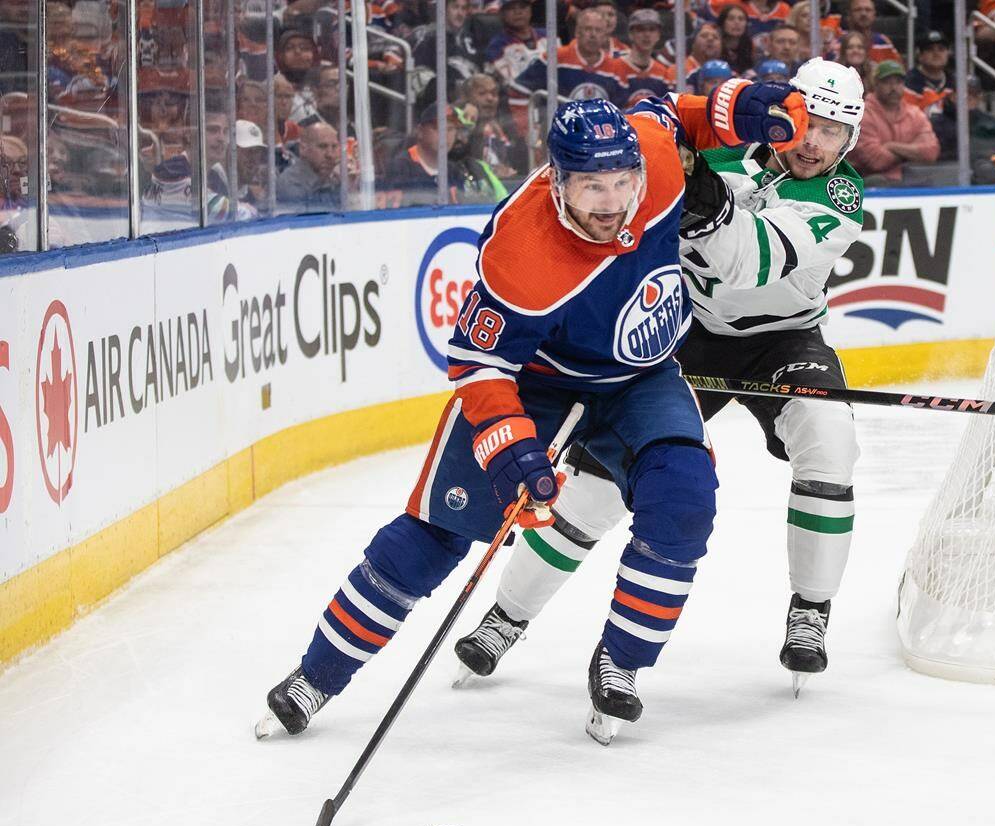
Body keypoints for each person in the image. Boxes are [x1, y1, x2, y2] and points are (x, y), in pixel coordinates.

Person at [255, 82, 809, 746]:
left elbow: (669, 110)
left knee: (685, 500)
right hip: (536, 385)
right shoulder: (519, 251)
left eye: (622, 181)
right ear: (556, 181)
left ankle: (621, 663)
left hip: (641, 376)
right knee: (435, 537)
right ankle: (317, 674)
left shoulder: (656, 160)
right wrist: (514, 449)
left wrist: (731, 109)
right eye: (591, 188)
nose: (613, 204)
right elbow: (480, 366)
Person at [452, 58, 866, 698]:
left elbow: (754, 263)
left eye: (834, 133)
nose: (815, 144)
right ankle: (507, 617)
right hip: (686, 337)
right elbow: (654, 129)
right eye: (809, 123)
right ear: (788, 112)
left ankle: (811, 610)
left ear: (852, 139)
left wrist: (711, 205)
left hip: (782, 340)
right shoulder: (726, 151)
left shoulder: (840, 196)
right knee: (598, 487)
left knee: (830, 437)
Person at [509, 7, 627, 138]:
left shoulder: (616, 68)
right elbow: (518, 90)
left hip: (599, 142)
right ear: (577, 32)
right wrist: (526, 129)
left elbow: (622, 111)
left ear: (606, 36)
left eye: (598, 30)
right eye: (588, 29)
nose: (593, 35)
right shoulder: (556, 58)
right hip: (556, 138)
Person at [386, 104, 508, 204]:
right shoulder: (400, 167)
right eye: (439, 128)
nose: (446, 135)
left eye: (451, 129)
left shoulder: (454, 170)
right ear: (420, 131)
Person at [849, 59, 939, 185]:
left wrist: (892, 146)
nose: (894, 88)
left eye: (898, 82)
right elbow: (876, 160)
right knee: (877, 181)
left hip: (908, 180)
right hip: (867, 182)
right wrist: (911, 153)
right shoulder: (863, 114)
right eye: (887, 82)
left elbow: (930, 152)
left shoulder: (914, 113)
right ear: (876, 84)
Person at [276, 120, 346, 211]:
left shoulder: (334, 180)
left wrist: (350, 187)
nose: (330, 155)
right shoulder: (290, 184)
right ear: (303, 149)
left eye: (334, 147)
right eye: (322, 146)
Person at [617, 9, 675, 108]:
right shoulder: (615, 69)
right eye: (641, 29)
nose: (647, 34)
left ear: (658, 35)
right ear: (631, 34)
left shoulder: (663, 73)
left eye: (652, 29)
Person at [485, 0, 546, 86]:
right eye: (511, 8)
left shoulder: (548, 36)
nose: (518, 12)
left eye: (522, 7)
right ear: (502, 14)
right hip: (520, 96)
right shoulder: (496, 46)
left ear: (530, 10)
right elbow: (512, 83)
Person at [903, 29, 953, 120]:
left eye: (941, 49)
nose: (936, 54)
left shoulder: (957, 83)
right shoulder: (907, 84)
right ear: (919, 55)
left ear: (948, 53)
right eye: (930, 49)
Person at [843, 0, 902, 67]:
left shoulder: (882, 42)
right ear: (849, 14)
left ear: (874, 14)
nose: (863, 13)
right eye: (858, 10)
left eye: (868, 10)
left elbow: (898, 71)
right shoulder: (839, 42)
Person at [718, 4, 757, 75]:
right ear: (722, 23)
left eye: (741, 19)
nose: (737, 22)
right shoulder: (716, 46)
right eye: (731, 19)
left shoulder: (749, 45)